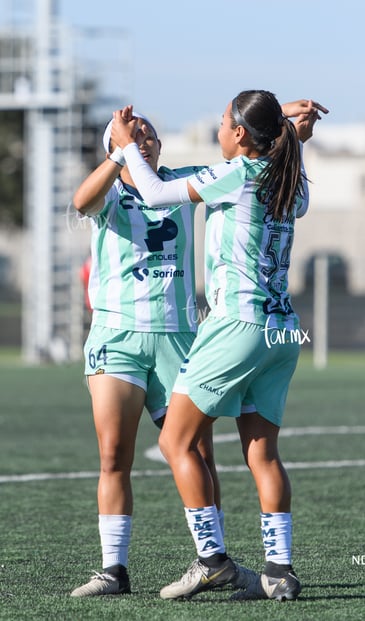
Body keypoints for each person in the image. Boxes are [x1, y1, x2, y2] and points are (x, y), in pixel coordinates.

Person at [110, 91, 328, 601]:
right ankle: (279, 572)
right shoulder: (288, 180)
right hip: (283, 332)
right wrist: (291, 134)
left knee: (175, 442)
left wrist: (126, 148)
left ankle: (212, 561)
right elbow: (281, 150)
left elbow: (155, 194)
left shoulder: (239, 172)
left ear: (238, 136)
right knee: (263, 453)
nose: (219, 127)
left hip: (238, 326)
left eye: (225, 120)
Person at [69, 112, 236, 597]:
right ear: (114, 147)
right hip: (117, 338)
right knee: (113, 456)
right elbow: (81, 202)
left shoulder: (182, 183)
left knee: (200, 453)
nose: (143, 134)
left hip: (179, 339)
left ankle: (213, 558)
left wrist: (276, 118)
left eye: (148, 130)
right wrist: (120, 154)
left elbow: (241, 162)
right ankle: (113, 571)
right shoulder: (109, 192)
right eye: (131, 130)